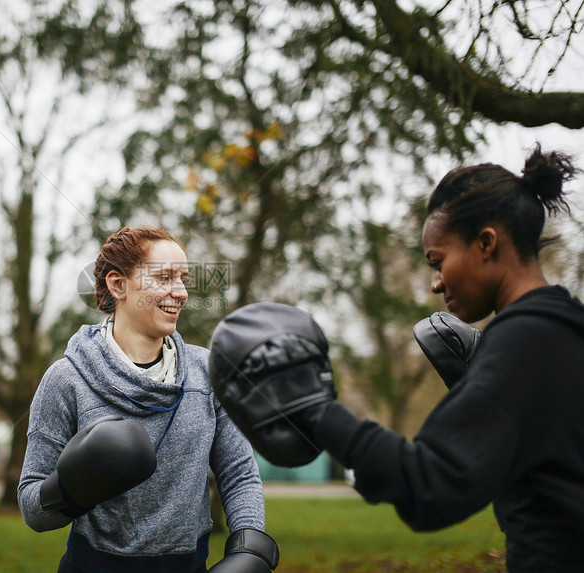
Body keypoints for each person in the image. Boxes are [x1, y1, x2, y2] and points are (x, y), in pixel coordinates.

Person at [209, 146, 584, 572]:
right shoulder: (566, 328)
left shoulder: (524, 341)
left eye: (437, 261)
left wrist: (314, 411)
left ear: (486, 243)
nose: (435, 283)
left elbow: (430, 488)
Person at [18, 227, 279, 573]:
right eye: (164, 277)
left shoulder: (209, 373)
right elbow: (32, 506)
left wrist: (250, 546)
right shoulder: (67, 379)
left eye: (183, 279)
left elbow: (239, 472)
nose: (181, 292)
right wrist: (71, 488)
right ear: (118, 285)